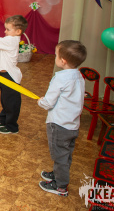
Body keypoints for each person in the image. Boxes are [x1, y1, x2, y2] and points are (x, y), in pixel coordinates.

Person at [37, 40, 87, 197]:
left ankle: (60, 186)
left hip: (59, 125)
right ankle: (58, 174)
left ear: (63, 61)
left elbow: (48, 102)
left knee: (60, 156)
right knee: (65, 154)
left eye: (56, 55)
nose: (55, 58)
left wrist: (40, 101)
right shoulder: (79, 75)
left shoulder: (60, 78)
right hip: (72, 125)